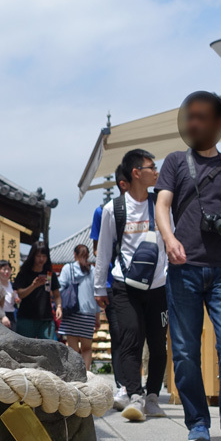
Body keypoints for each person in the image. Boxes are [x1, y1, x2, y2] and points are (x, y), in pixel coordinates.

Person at [156, 91, 221, 441]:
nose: (196, 123)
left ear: (219, 123)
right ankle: (198, 422)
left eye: (204, 117)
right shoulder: (174, 161)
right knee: (185, 351)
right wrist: (170, 239)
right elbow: (163, 204)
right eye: (192, 117)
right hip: (184, 268)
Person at [95, 148, 168, 423]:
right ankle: (135, 395)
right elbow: (103, 251)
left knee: (159, 345)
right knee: (130, 338)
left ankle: (152, 397)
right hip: (125, 285)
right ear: (137, 172)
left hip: (159, 285)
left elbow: (169, 238)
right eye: (152, 167)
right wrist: (99, 287)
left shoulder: (160, 203)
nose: (156, 171)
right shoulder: (113, 209)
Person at [91, 164, 130, 409]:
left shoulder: (152, 206)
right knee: (119, 335)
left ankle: (136, 386)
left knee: (140, 335)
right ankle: (123, 385)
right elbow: (99, 249)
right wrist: (100, 287)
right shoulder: (103, 211)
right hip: (114, 283)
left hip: (147, 284)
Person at [58, 244, 101, 370]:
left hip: (71, 313)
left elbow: (60, 289)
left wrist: (59, 307)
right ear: (88, 256)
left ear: (74, 254)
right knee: (87, 348)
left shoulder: (68, 268)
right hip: (88, 314)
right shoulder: (92, 270)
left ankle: (75, 374)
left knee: (73, 349)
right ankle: (86, 374)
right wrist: (97, 317)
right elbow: (96, 295)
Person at [14, 243, 61, 340]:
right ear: (33, 256)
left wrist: (59, 307)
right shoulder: (24, 273)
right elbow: (21, 294)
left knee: (49, 348)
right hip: (26, 318)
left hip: (46, 318)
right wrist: (33, 286)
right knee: (24, 348)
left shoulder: (49, 274)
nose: (41, 259)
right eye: (38, 256)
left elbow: (56, 295)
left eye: (44, 256)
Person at [0, 259, 18, 327]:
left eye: (9, 269)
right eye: (4, 269)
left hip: (11, 315)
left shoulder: (12, 285)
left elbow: (16, 297)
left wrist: (17, 299)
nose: (7, 272)